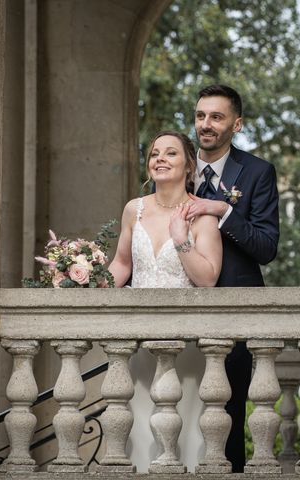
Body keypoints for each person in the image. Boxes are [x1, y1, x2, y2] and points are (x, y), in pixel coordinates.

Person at [109, 131, 222, 472]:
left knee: (185, 438)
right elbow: (122, 265)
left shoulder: (202, 216)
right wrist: (84, 280)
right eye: (155, 153)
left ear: (189, 166)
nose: (159, 158)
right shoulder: (134, 210)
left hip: (186, 345)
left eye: (170, 153)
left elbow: (208, 278)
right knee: (141, 432)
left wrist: (181, 241)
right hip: (140, 342)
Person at [185, 84, 280, 472]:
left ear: (236, 124)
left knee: (228, 412)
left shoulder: (257, 172)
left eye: (216, 117)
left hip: (234, 308)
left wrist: (224, 211)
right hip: (180, 309)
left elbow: (266, 247)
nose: (206, 125)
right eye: (200, 116)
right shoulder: (176, 163)